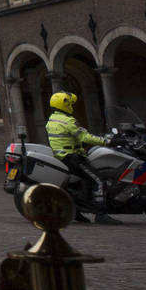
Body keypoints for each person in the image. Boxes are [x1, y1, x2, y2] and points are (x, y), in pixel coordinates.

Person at [46, 91, 116, 224]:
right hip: (72, 158)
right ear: (64, 105)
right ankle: (101, 214)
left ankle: (76, 212)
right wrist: (107, 141)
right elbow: (85, 136)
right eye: (71, 103)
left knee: (81, 182)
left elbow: (67, 138)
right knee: (98, 181)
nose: (72, 106)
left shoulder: (52, 120)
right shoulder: (68, 121)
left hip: (61, 157)